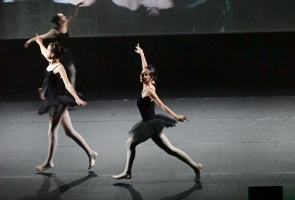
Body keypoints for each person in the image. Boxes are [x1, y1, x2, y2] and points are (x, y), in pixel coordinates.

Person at [112, 44, 202, 181]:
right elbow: (144, 68)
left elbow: (161, 104)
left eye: (145, 74)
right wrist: (142, 54)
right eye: (142, 73)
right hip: (149, 123)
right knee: (170, 150)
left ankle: (128, 172)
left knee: (133, 144)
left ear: (152, 78)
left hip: (150, 125)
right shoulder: (146, 84)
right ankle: (195, 166)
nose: (142, 75)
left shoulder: (149, 90)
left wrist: (175, 116)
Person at [33, 34, 97, 172]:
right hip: (53, 100)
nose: (46, 52)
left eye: (49, 51)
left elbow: (67, 84)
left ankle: (49, 162)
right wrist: (39, 43)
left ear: (53, 54)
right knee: (69, 132)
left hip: (59, 101)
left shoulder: (58, 67)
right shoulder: (50, 61)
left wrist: (76, 98)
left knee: (51, 132)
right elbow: (43, 51)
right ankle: (91, 153)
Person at [24, 0, 85, 100]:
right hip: (58, 54)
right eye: (62, 17)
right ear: (59, 21)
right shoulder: (55, 30)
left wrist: (77, 6)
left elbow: (73, 15)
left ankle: (72, 90)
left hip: (66, 53)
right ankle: (43, 90)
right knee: (53, 73)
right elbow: (42, 36)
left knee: (72, 72)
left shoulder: (66, 25)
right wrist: (30, 41)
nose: (65, 17)